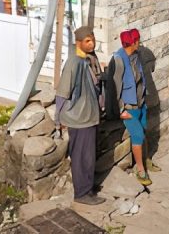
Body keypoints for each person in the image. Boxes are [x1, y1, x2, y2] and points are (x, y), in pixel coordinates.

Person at [54, 26, 105, 205]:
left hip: (90, 116)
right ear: (78, 43)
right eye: (87, 41)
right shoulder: (73, 63)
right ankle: (82, 193)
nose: (91, 44)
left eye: (93, 40)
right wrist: (57, 119)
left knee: (89, 156)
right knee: (81, 156)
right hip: (78, 118)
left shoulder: (89, 60)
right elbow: (62, 92)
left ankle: (88, 188)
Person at [110, 28, 152, 186]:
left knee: (144, 132)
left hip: (141, 103)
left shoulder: (136, 55)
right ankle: (140, 169)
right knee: (138, 136)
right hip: (129, 106)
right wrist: (120, 111)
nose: (139, 42)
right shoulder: (119, 60)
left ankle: (146, 161)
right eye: (137, 40)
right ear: (132, 43)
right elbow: (114, 88)